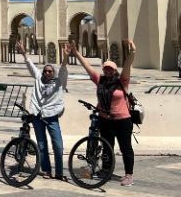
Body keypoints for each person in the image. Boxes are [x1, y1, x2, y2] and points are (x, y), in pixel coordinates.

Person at [72, 40, 136, 186]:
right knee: (107, 146)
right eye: (106, 68)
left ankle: (129, 175)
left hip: (122, 120)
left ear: (115, 70)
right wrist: (76, 53)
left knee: (125, 147)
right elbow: (87, 67)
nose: (108, 71)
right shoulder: (99, 80)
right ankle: (106, 170)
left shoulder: (122, 81)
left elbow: (127, 66)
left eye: (110, 69)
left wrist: (132, 53)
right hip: (105, 120)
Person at [17, 40, 68, 179]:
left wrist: (66, 58)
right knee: (41, 145)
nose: (47, 73)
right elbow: (30, 65)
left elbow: (63, 71)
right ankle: (46, 170)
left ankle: (59, 172)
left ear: (53, 72)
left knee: (58, 145)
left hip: (51, 116)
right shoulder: (39, 78)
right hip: (37, 115)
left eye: (50, 71)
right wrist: (23, 53)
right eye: (45, 70)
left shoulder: (59, 82)